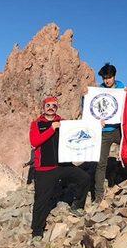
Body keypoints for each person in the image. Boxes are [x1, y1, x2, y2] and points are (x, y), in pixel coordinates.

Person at [29, 96, 90, 240]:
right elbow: (34, 142)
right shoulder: (36, 124)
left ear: (57, 108)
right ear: (43, 107)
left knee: (84, 178)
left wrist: (97, 125)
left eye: (54, 106)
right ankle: (37, 232)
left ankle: (77, 206)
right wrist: (51, 129)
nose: (51, 108)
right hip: (45, 169)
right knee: (41, 200)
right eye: (48, 105)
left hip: (64, 165)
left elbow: (82, 130)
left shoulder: (63, 122)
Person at [91, 62, 125, 204]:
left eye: (109, 77)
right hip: (104, 132)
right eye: (105, 78)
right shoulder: (99, 91)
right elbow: (91, 108)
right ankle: (98, 196)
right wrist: (97, 120)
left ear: (114, 76)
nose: (107, 80)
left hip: (119, 129)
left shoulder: (122, 87)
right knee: (101, 163)